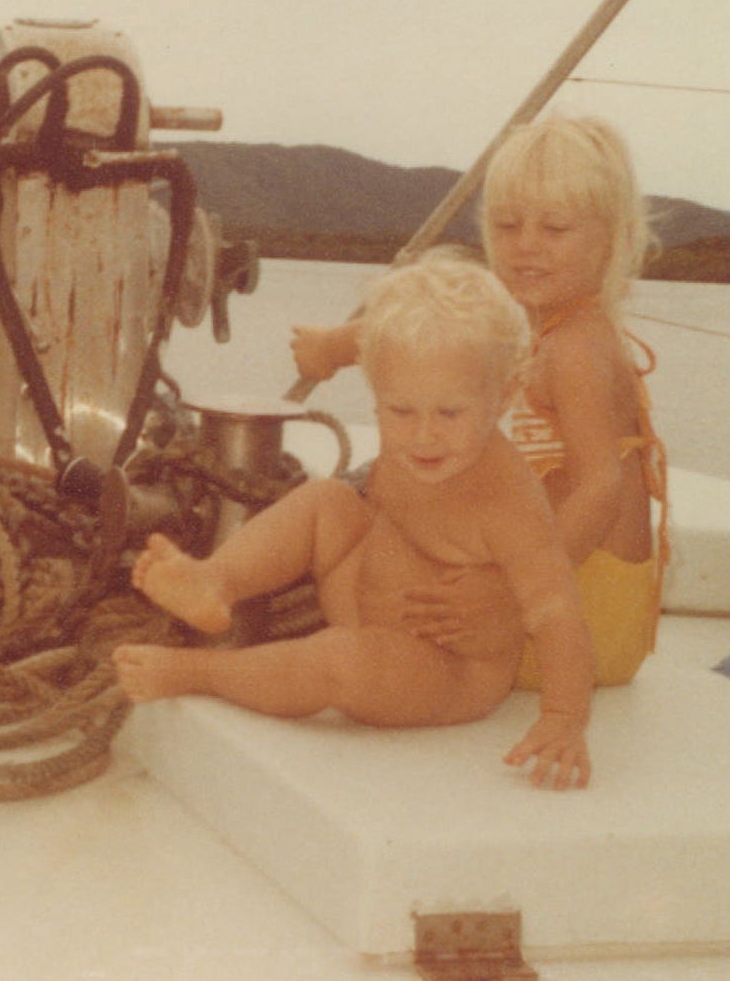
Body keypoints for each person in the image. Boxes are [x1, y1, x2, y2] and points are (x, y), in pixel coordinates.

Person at [115, 252, 595, 790]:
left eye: (450, 414)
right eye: (400, 412)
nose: (423, 435)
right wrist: (328, 347)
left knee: (342, 660)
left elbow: (558, 615)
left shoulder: (507, 501)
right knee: (326, 500)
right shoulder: (419, 387)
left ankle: (196, 674)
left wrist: (563, 720)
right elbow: (373, 340)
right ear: (378, 392)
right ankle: (213, 583)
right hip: (359, 596)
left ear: (503, 396)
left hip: (439, 668)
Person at [291, 114, 665, 688]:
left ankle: (362, 641)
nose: (527, 247)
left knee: (347, 529)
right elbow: (427, 333)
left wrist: (512, 593)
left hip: (572, 621)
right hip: (573, 603)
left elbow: (599, 488)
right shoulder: (532, 326)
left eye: (556, 229)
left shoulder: (576, 347)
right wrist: (335, 346)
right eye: (509, 225)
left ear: (612, 239)